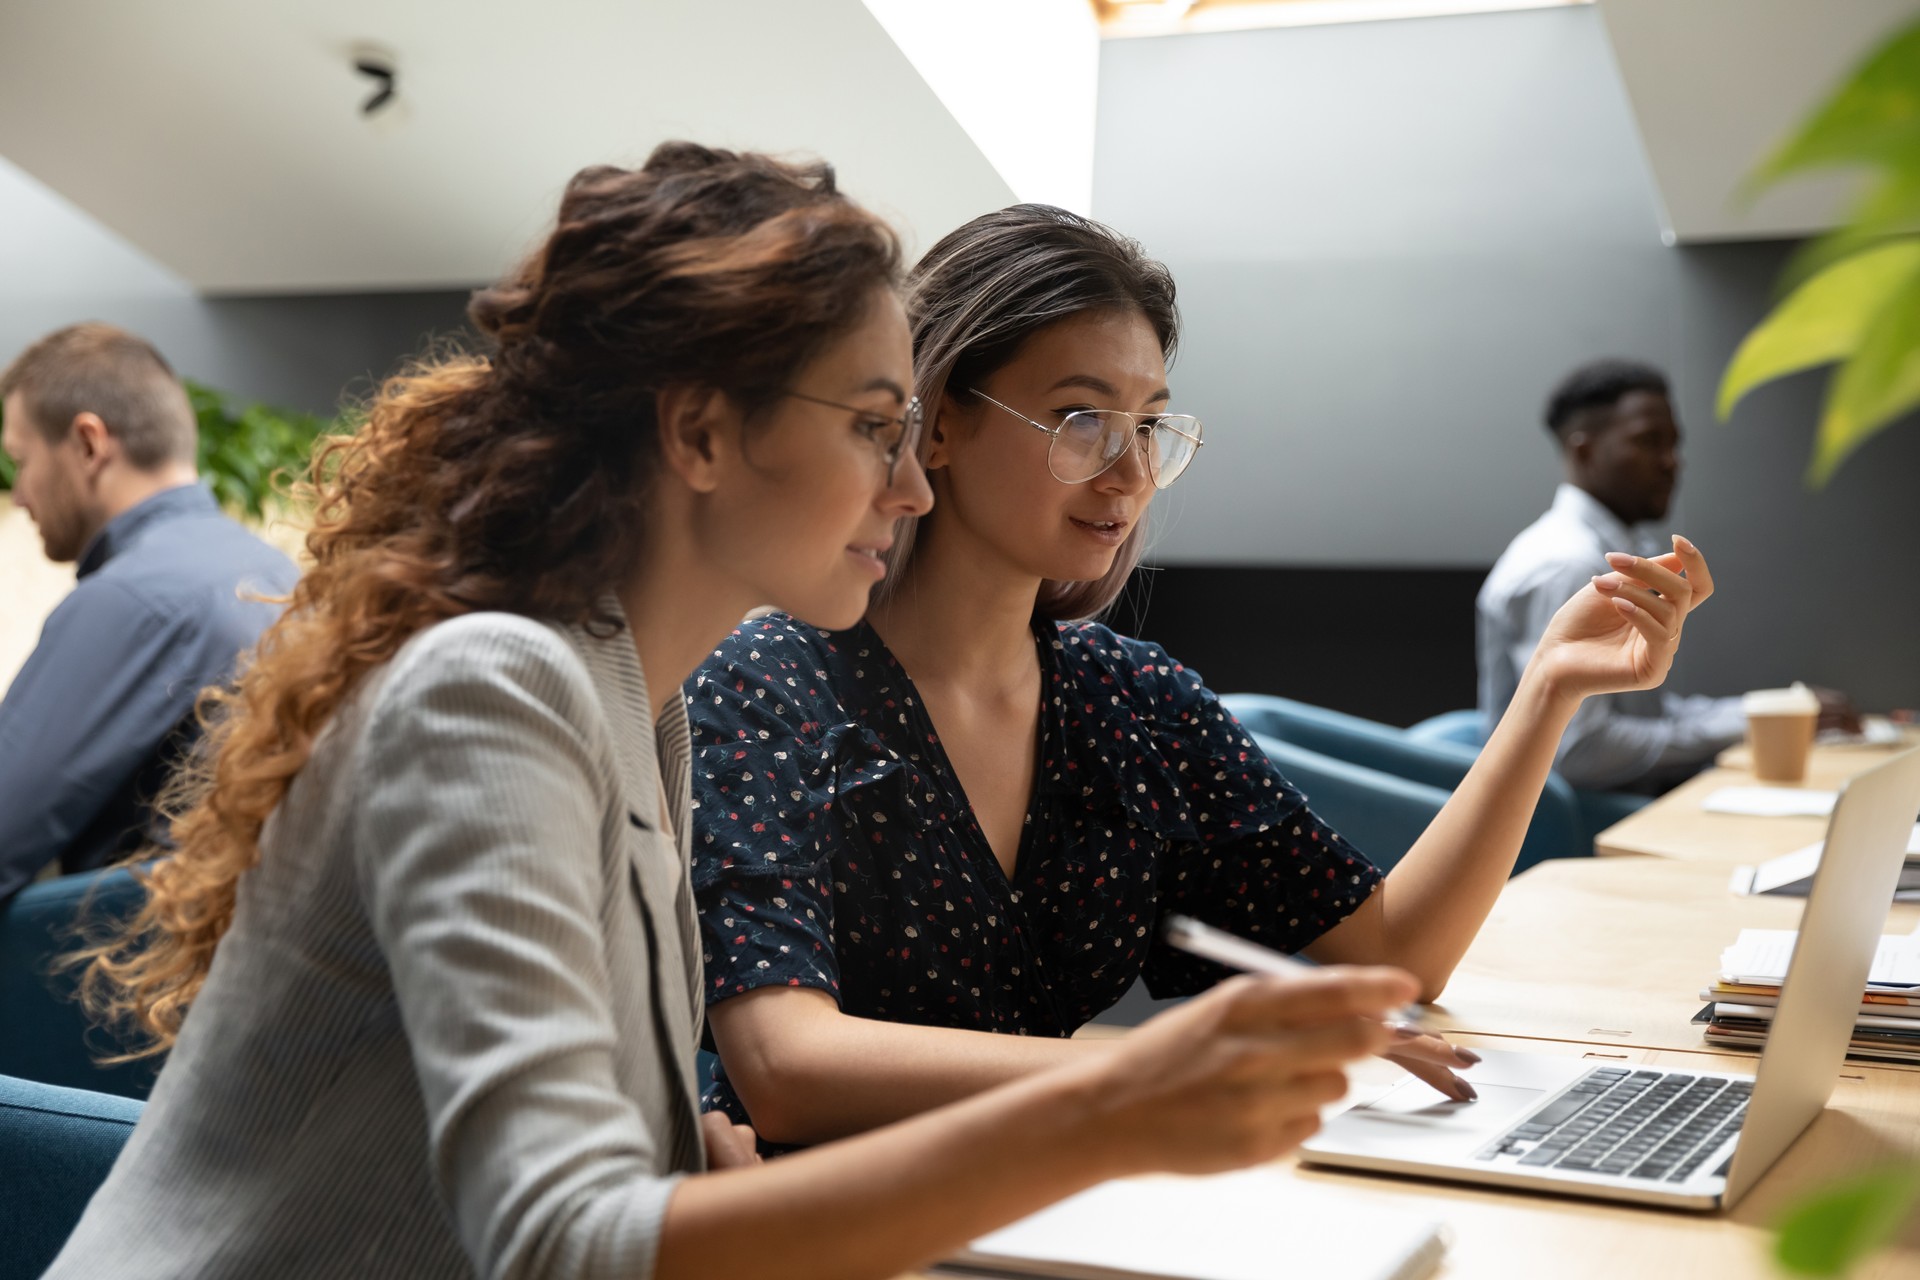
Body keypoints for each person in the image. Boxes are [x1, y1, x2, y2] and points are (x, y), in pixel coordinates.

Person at [48, 146, 1418, 1280]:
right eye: (876, 429)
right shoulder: (495, 695)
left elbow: (575, 1171)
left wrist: (675, 1152)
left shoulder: (639, 702)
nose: (915, 489)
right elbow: (562, 1248)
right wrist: (1107, 1105)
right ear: (702, 436)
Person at [686, 207, 1722, 1149]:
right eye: (1082, 419)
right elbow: (787, 1069)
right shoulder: (771, 682)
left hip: (1057, 1203)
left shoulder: (1128, 698)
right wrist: (1166, 1065)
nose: (1130, 473)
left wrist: (1550, 689)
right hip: (819, 1226)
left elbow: (1393, 957)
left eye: (1149, 426)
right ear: (941, 420)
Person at [0, 324, 297, 903]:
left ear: (88, 443)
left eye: (22, 460)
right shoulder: (280, 577)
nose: (19, 495)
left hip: (126, 976)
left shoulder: (137, 599)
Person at [1477, 359, 1853, 794]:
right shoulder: (1567, 566)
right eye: (1649, 442)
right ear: (1585, 451)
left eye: (1674, 444)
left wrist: (1766, 711)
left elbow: (1641, 713)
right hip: (1584, 819)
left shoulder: (1612, 551)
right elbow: (1580, 750)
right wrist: (1747, 725)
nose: (1672, 462)